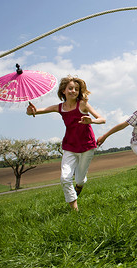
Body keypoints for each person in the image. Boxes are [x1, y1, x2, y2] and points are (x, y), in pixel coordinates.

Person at [26, 76, 106, 211]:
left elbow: (102, 119)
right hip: (70, 146)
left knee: (80, 180)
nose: (73, 91)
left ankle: (80, 185)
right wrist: (30, 111)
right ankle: (75, 210)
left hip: (87, 146)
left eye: (76, 89)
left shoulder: (83, 104)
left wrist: (91, 121)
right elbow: (37, 111)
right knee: (65, 178)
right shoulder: (60, 107)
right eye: (70, 88)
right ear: (63, 91)